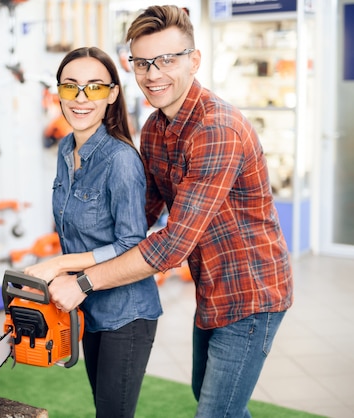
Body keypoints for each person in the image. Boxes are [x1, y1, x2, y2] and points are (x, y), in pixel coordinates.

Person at [45, 5, 294, 418]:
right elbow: (139, 217)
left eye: (167, 60)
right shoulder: (157, 129)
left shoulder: (217, 130)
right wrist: (74, 258)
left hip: (252, 293)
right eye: (142, 63)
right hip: (212, 288)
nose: (153, 73)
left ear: (194, 60)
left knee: (216, 412)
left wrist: (84, 282)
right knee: (215, 401)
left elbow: (172, 246)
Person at [23, 46, 162, 418]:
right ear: (59, 93)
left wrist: (60, 264)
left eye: (94, 88)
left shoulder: (120, 160)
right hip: (87, 307)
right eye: (71, 87)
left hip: (126, 312)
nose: (81, 98)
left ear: (112, 94)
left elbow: (132, 243)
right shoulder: (66, 148)